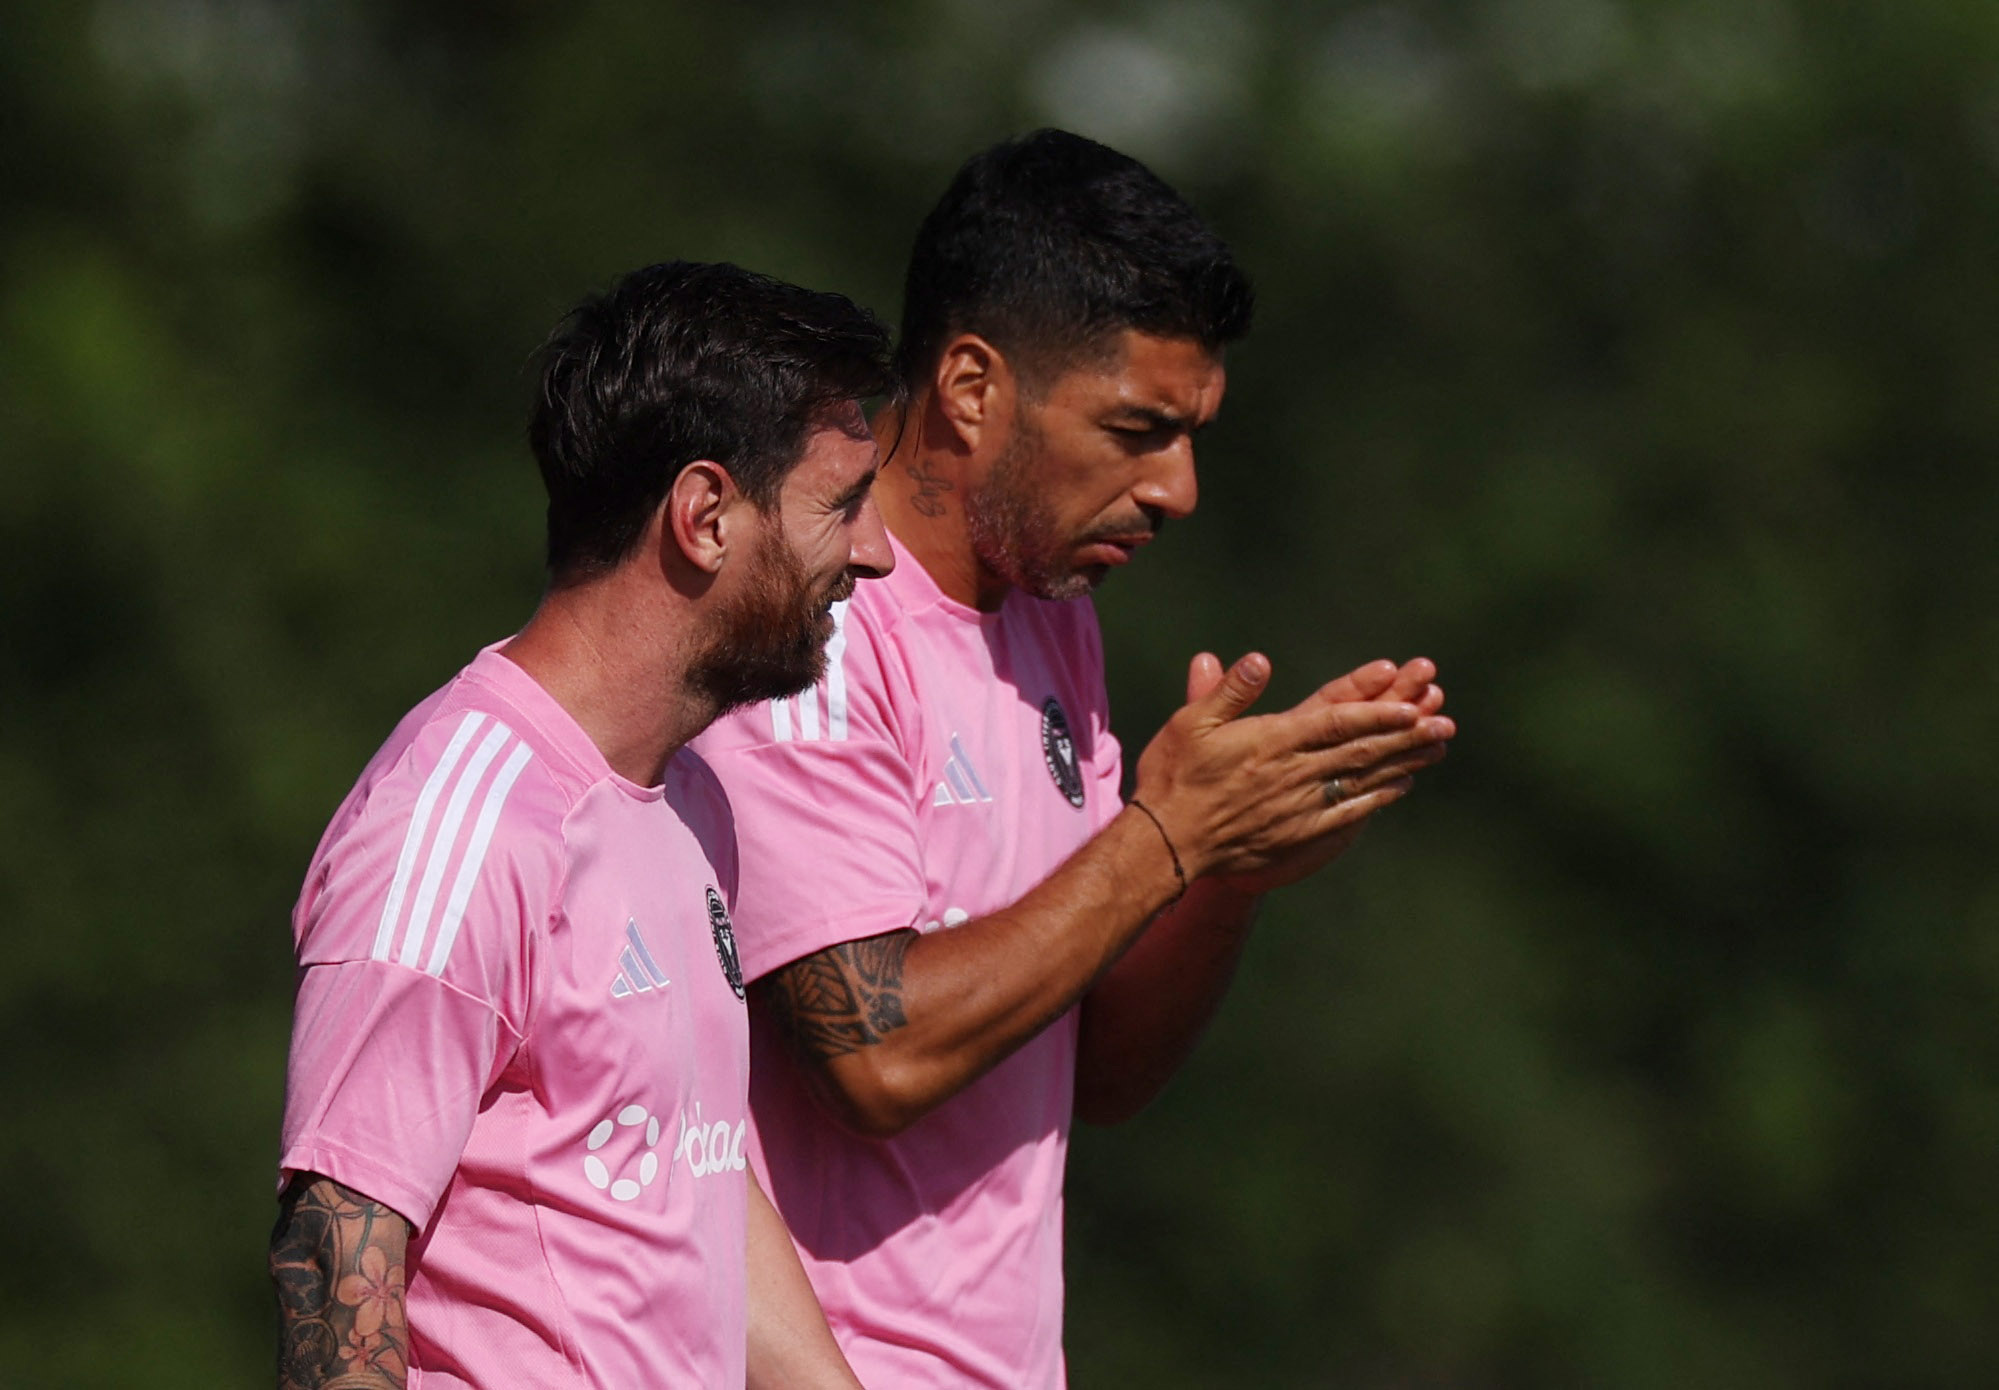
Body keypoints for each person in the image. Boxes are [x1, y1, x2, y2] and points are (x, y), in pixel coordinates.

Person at [689, 130, 1458, 1386]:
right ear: (973, 386)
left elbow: (1094, 1072)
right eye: (1138, 427)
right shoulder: (810, 627)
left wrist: (1222, 877)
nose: (1180, 487)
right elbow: (872, 1054)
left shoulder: (1052, 612)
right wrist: (1166, 838)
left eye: (1193, 432)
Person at [269, 260, 898, 1389]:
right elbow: (338, 1260)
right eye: (841, 505)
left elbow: (693, 1179)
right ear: (705, 516)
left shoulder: (692, 797)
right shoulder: (457, 826)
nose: (874, 553)